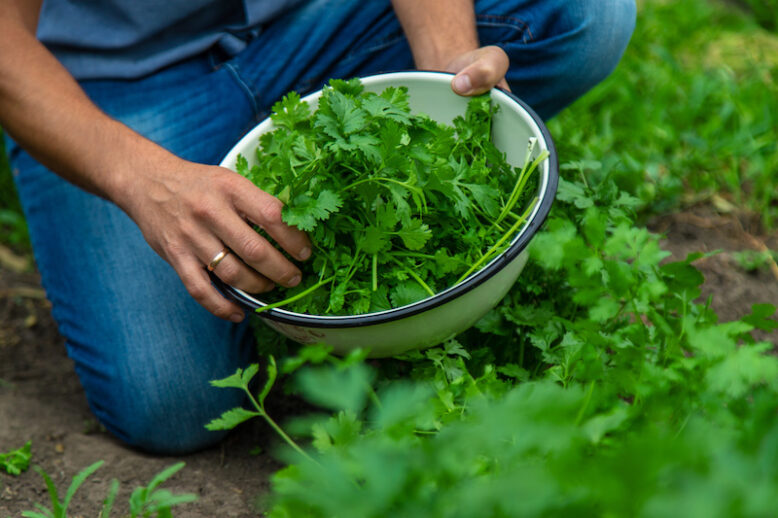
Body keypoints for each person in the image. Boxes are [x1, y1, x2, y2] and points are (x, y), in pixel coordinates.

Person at [0, 0, 636, 454]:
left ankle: (267, 219)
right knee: (176, 404)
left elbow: (456, 67)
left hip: (312, 27)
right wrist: (144, 182)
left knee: (583, 14)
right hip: (116, 89)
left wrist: (444, 78)